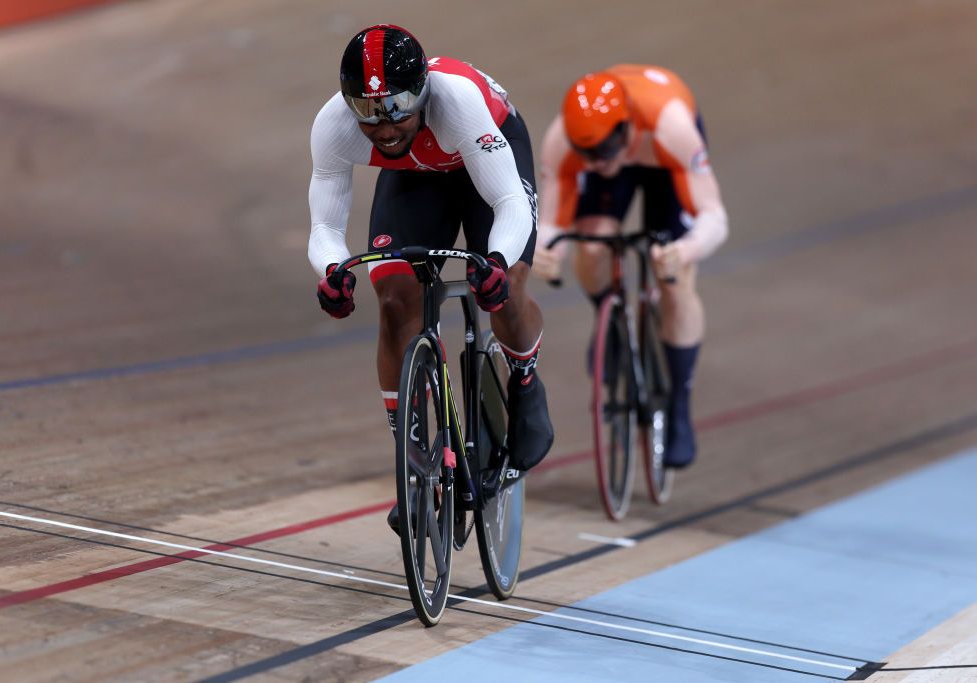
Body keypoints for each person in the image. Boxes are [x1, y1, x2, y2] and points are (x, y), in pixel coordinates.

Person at [308, 25, 554, 530]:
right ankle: (415, 459)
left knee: (506, 292)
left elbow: (509, 202)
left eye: (398, 104)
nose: (385, 125)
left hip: (486, 157)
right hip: (417, 177)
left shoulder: (457, 101)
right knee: (396, 302)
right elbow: (325, 226)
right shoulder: (333, 124)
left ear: (422, 91)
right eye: (369, 112)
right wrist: (332, 271)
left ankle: (525, 379)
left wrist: (499, 265)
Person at [532, 66, 729, 468]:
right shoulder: (564, 142)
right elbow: (551, 223)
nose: (595, 161)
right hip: (631, 148)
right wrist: (542, 252)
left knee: (673, 278)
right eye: (585, 153)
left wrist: (688, 249)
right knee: (592, 245)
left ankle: (678, 406)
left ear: (625, 130)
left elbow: (715, 217)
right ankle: (612, 324)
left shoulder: (673, 128)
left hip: (661, 158)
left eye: (602, 151)